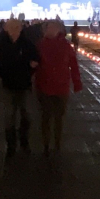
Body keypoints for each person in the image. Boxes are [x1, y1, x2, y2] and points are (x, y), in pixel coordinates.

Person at [0, 17, 39, 155]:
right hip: (9, 85)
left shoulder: (27, 44)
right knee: (9, 116)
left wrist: (30, 70)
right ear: (7, 29)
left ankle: (24, 141)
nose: (14, 31)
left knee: (26, 115)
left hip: (24, 85)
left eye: (17, 28)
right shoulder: (2, 44)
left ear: (21, 28)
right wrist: (3, 74)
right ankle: (11, 144)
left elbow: (36, 58)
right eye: (12, 28)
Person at [34, 19, 82, 155]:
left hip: (55, 86)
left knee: (54, 117)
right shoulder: (45, 45)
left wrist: (77, 82)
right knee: (49, 116)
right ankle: (49, 143)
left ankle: (54, 143)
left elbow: (74, 65)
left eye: (51, 28)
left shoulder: (43, 45)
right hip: (50, 85)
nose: (49, 31)